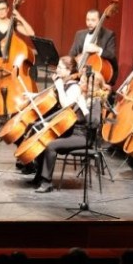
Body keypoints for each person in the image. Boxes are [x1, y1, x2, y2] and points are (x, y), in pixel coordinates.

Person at [29, 56, 104, 193]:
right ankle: (38, 176)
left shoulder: (95, 101)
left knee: (51, 146)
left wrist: (84, 108)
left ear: (90, 85)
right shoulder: (82, 97)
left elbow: (94, 123)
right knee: (44, 138)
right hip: (72, 132)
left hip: (84, 137)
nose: (79, 83)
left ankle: (46, 182)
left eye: (82, 81)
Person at [69, 9, 118, 84]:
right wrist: (76, 59)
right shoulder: (79, 34)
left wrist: (98, 50)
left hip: (97, 77)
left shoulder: (108, 35)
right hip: (79, 73)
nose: (89, 23)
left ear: (100, 21)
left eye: (93, 20)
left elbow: (111, 55)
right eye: (87, 20)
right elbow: (71, 54)